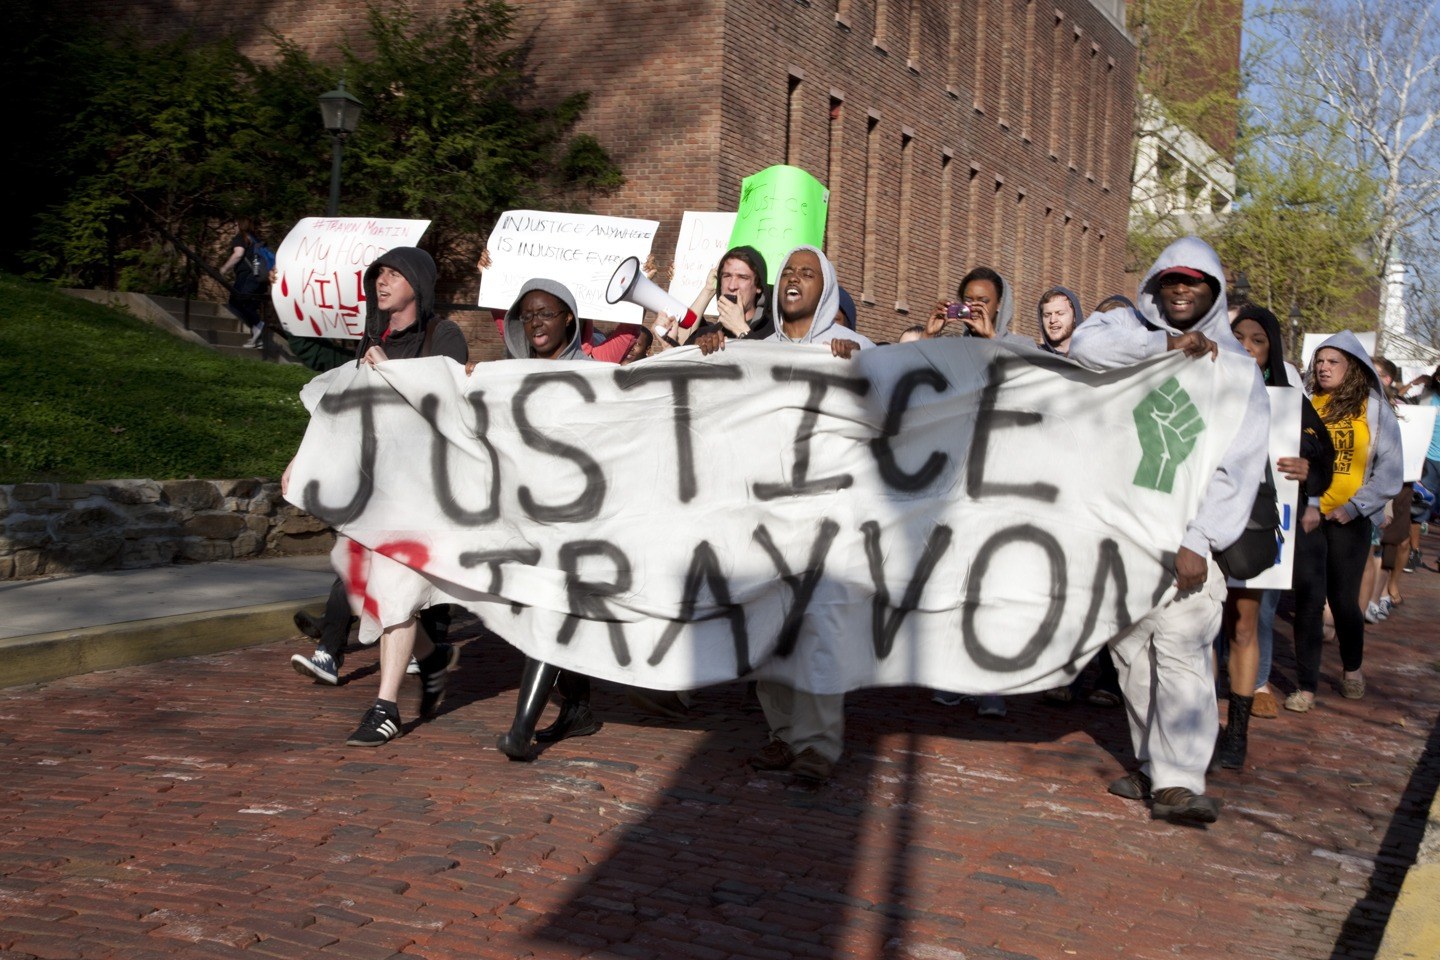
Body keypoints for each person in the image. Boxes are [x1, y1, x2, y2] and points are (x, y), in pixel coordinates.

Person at [1068, 236, 1270, 824]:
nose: (1180, 290)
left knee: (1181, 651)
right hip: (1125, 530)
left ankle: (1182, 780)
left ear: (1214, 291)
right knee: (1130, 652)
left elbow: (1240, 462)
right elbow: (1084, 344)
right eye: (1170, 281)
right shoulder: (1135, 337)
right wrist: (1161, 342)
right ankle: (1157, 766)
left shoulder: (1233, 369)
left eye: (1194, 282)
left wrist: (1200, 538)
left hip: (1184, 535)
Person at [696, 245, 872, 785]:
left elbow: (888, 419)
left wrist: (859, 371)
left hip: (826, 517)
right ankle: (783, 735)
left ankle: (818, 746)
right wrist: (707, 353)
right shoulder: (753, 350)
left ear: (827, 288)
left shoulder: (855, 349)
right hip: (764, 516)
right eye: (789, 272)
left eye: (808, 273)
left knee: (818, 631)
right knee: (766, 630)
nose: (795, 279)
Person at [283, 246, 469, 746]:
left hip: (423, 490)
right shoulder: (371, 337)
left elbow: (446, 405)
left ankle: (384, 707)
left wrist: (391, 369)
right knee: (361, 578)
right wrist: (302, 460)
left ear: (417, 282)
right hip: (375, 488)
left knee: (399, 589)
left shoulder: (443, 336)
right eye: (379, 275)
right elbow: (343, 409)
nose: (382, 282)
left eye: (393, 274)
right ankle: (429, 656)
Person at [1214, 305, 1332, 765]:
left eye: (1257, 339)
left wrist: (1310, 470)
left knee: (1245, 624)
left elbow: (1322, 458)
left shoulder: (1288, 398)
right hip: (1204, 524)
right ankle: (1199, 724)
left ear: (1271, 349)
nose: (1245, 345)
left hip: (1258, 525)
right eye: (1237, 335)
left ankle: (1237, 734)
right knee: (1201, 628)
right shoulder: (1204, 385)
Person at [494, 278, 604, 761]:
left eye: (547, 313)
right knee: (555, 611)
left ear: (569, 321)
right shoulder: (508, 376)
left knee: (549, 611)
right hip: (526, 518)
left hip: (576, 520)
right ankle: (578, 707)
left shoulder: (595, 377)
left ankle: (521, 729)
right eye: (528, 315)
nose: (536, 323)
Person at [1284, 332, 1403, 711]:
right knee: (1307, 600)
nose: (1323, 367)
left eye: (1333, 362)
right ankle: (1306, 685)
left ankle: (1352, 668)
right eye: (1320, 361)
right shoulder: (1304, 403)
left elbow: (1391, 471)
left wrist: (1355, 507)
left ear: (1353, 367)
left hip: (1350, 519)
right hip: (1309, 517)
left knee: (1343, 600)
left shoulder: (1374, 410)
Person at [671, 245, 772, 346]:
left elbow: (767, 360)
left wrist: (740, 329)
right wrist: (708, 290)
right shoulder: (707, 336)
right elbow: (679, 345)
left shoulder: (773, 331)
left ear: (758, 286)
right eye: (727, 276)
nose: (732, 286)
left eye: (742, 277)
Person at [219, 217, 268, 349]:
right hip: (260, 278)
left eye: (235, 224)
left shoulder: (241, 237)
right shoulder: (255, 239)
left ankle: (258, 325)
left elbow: (238, 254)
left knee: (235, 303)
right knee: (249, 307)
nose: (234, 227)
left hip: (248, 276)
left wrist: (224, 268)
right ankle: (257, 340)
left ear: (240, 225)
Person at [1037, 286, 1082, 356]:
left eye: (1060, 313)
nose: (1052, 320)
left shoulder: (1091, 360)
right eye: (1047, 315)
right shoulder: (1032, 359)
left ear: (1075, 317)